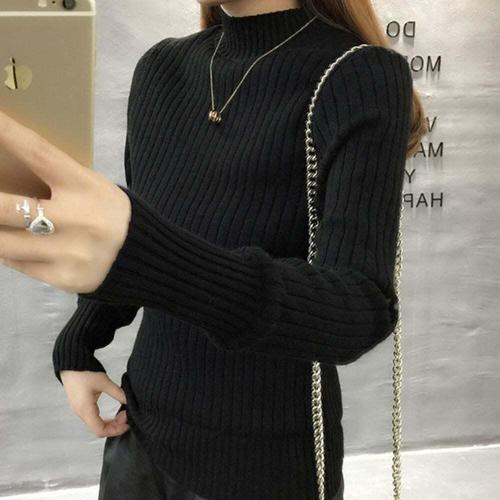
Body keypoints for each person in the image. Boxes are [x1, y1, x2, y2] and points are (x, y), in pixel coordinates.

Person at [0, 0, 426, 498]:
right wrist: (80, 342)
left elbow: (357, 308)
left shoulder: (355, 73)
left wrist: (139, 248)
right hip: (140, 437)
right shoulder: (161, 69)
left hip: (266, 466)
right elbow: (148, 234)